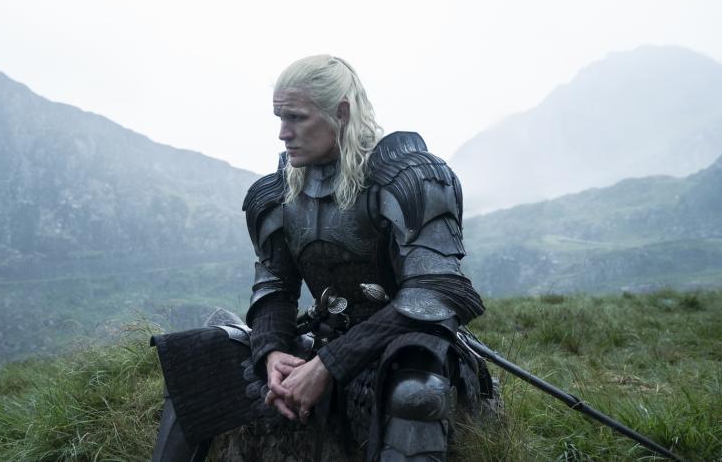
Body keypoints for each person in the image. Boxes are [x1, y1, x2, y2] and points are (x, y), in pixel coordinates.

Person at [151, 55, 494, 462]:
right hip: (325, 333)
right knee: (197, 357)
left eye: (296, 118)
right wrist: (272, 352)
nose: (283, 133)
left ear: (341, 113)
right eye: (279, 118)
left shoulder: (410, 178)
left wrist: (329, 365)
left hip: (401, 341)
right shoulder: (278, 192)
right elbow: (275, 288)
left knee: (415, 393)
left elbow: (435, 292)